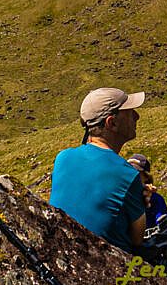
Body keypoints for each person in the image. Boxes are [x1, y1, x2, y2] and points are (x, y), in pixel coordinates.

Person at [50, 87, 147, 252]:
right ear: (112, 123)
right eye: (130, 112)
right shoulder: (127, 174)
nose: (136, 116)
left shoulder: (62, 158)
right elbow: (138, 239)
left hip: (61, 252)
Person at [127, 153, 167, 227]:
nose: (131, 175)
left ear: (146, 177)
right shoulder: (120, 195)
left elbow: (162, 224)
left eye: (136, 172)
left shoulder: (155, 199)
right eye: (128, 171)